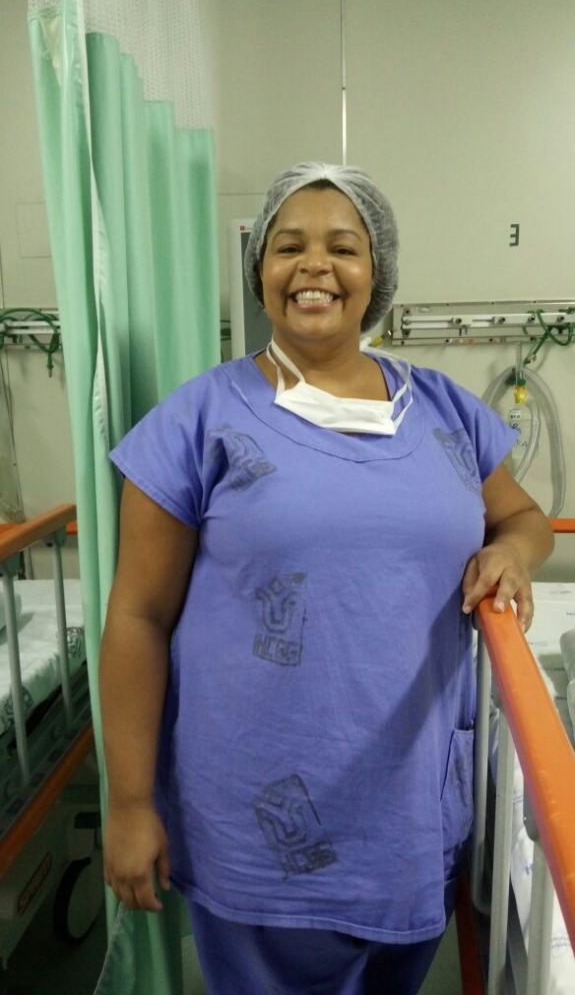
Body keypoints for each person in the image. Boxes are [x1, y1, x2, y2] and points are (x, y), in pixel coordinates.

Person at [100, 162, 554, 995]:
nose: (314, 265)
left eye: (342, 248)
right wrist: (129, 804)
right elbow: (137, 618)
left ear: (376, 273)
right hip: (253, 811)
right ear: (260, 272)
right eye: (288, 247)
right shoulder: (198, 420)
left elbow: (524, 518)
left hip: (407, 809)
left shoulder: (445, 411)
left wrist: (513, 553)